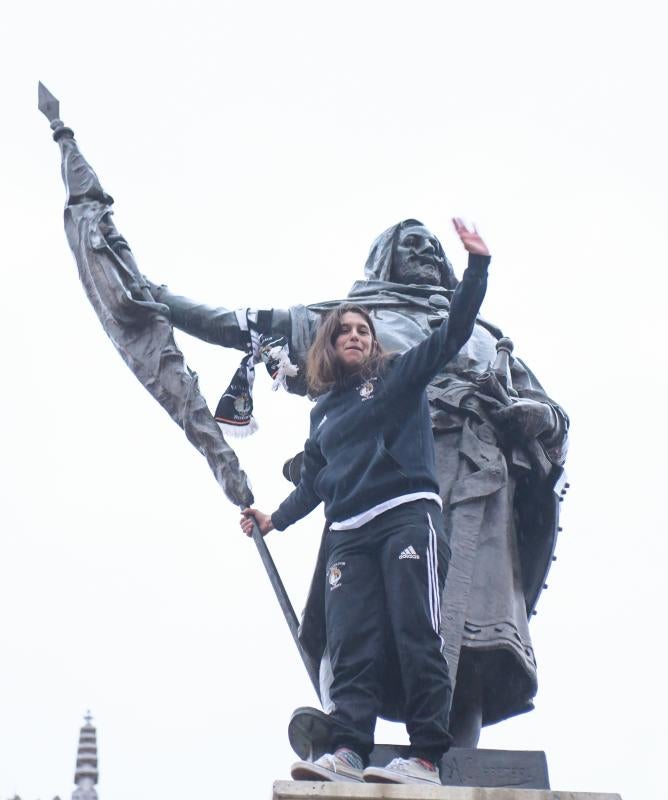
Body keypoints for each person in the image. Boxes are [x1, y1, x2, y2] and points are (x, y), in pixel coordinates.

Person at [147, 217, 568, 749]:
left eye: (429, 244)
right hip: (369, 491)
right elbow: (245, 324)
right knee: (352, 622)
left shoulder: (488, 338)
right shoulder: (354, 320)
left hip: (476, 484)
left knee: (466, 628)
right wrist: (157, 299)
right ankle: (346, 734)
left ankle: (447, 749)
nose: (421, 250)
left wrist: (542, 419)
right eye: (407, 243)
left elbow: (549, 413)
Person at [239, 220, 490, 784]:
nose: (354, 335)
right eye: (344, 331)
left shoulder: (401, 375)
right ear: (330, 345)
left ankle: (426, 757)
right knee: (352, 646)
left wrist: (476, 268)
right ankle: (349, 751)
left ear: (374, 342)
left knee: (416, 633)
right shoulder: (323, 412)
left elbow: (452, 334)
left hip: (408, 520)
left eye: (362, 330)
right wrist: (274, 519)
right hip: (349, 534)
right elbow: (318, 481)